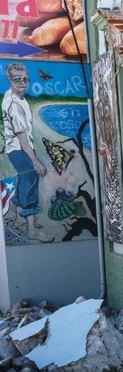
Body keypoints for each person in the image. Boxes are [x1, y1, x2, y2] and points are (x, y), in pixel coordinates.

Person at [2, 62, 53, 242]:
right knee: (30, 182)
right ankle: (31, 230)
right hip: (19, 149)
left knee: (23, 181)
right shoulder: (13, 104)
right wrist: (35, 161)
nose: (23, 83)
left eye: (26, 79)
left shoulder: (17, 97)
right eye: (17, 79)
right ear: (9, 79)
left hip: (17, 148)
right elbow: (22, 138)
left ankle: (17, 219)